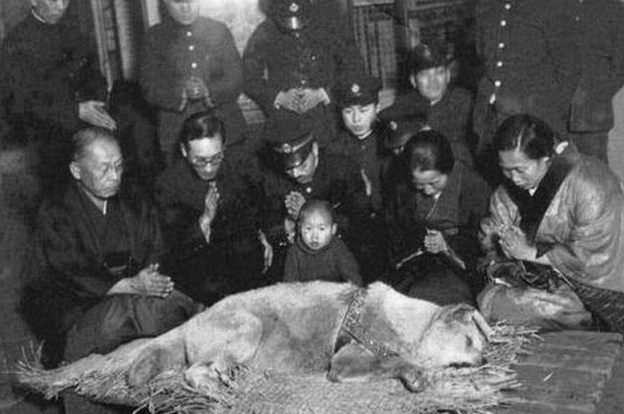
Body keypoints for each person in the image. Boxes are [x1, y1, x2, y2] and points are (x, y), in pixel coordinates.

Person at [23, 127, 197, 414]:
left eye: (118, 166)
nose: (114, 176)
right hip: (77, 314)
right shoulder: (55, 211)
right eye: (104, 168)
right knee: (124, 316)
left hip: (134, 301)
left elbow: (155, 246)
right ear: (77, 170)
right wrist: (131, 286)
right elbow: (66, 272)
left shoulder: (133, 199)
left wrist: (149, 277)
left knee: (171, 305)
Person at [478, 114, 624, 332]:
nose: (514, 178)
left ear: (546, 158)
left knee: (564, 311)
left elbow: (596, 259)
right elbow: (492, 235)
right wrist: (499, 242)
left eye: (520, 169)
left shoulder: (592, 185)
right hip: (544, 279)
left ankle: (591, 323)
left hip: (599, 285)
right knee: (488, 301)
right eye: (506, 169)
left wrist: (530, 252)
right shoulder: (509, 189)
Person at [154, 111, 273, 304]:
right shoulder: (168, 184)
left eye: (216, 158)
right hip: (200, 272)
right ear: (184, 151)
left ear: (224, 147)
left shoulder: (241, 164)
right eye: (200, 160)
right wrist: (204, 221)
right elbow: (172, 247)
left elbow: (260, 204)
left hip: (243, 261)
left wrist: (263, 234)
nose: (209, 168)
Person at [0, 0, 115, 193]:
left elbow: (95, 78)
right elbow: (21, 104)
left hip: (84, 126)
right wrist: (75, 110)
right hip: (42, 138)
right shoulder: (15, 43)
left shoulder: (74, 33)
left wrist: (97, 105)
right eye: (53, 0)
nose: (61, 6)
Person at [473, 0, 579, 176]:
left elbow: (569, 69)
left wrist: (548, 116)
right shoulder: (486, 6)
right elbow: (482, 56)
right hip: (490, 120)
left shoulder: (551, 6)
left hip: (533, 122)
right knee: (494, 181)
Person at [385, 130, 491, 306]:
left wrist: (446, 245)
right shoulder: (403, 188)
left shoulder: (474, 186)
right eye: (419, 185)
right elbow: (396, 231)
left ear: (448, 169)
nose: (427, 190)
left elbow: (482, 241)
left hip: (458, 267)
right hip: (416, 264)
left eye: (434, 183)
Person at [139, 0, 247, 166]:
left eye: (192, 1)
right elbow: (148, 86)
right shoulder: (154, 37)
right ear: (165, 3)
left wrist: (209, 91)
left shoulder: (219, 30)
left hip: (226, 128)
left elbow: (237, 77)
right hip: (176, 134)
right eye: (178, 2)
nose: (186, 8)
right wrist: (180, 92)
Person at [243, 0, 363, 148]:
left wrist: (325, 93)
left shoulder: (331, 26)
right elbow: (248, 77)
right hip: (285, 124)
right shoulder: (265, 31)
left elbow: (354, 68)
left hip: (330, 121)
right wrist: (278, 97)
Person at [261, 120, 371, 279]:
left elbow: (360, 218)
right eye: (289, 168)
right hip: (298, 261)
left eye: (303, 165)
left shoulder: (342, 169)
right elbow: (268, 221)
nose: (296, 174)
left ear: (314, 149)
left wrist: (315, 218)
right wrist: (287, 225)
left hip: (341, 257)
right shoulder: (273, 179)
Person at [328, 71, 389, 283]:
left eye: (363, 110)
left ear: (377, 108)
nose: (356, 119)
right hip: (351, 231)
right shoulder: (334, 149)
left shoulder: (389, 141)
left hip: (386, 227)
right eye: (348, 111)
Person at [380, 39, 474, 167]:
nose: (433, 81)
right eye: (425, 75)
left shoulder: (463, 102)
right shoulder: (404, 105)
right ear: (413, 80)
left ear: (448, 76)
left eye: (439, 72)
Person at [567, 0, 624, 163]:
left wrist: (595, 94)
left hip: (591, 117)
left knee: (593, 172)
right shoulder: (551, 6)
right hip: (550, 113)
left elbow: (620, 65)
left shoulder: (611, 8)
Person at [284, 199, 362, 285]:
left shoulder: (338, 248)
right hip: (304, 292)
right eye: (308, 228)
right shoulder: (294, 252)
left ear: (333, 229)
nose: (315, 236)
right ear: (300, 227)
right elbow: (289, 285)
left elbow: (354, 279)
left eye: (321, 229)